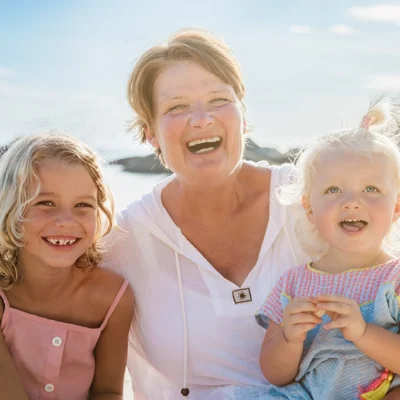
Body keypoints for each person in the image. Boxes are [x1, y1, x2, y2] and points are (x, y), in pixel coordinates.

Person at [101, 28, 309, 399]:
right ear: (149, 133)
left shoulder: (309, 200)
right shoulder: (125, 239)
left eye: (217, 99)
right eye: (176, 107)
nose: (201, 119)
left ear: (242, 117)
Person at [256, 95, 400, 399]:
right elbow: (274, 374)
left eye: (371, 189)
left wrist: (363, 333)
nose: (351, 201)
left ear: (396, 207)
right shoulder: (294, 282)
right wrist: (289, 339)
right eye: (333, 189)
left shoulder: (395, 280)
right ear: (309, 208)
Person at [0, 134, 134, 400]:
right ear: (9, 206)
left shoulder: (113, 297)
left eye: (83, 205)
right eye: (45, 203)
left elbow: (107, 392)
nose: (66, 220)